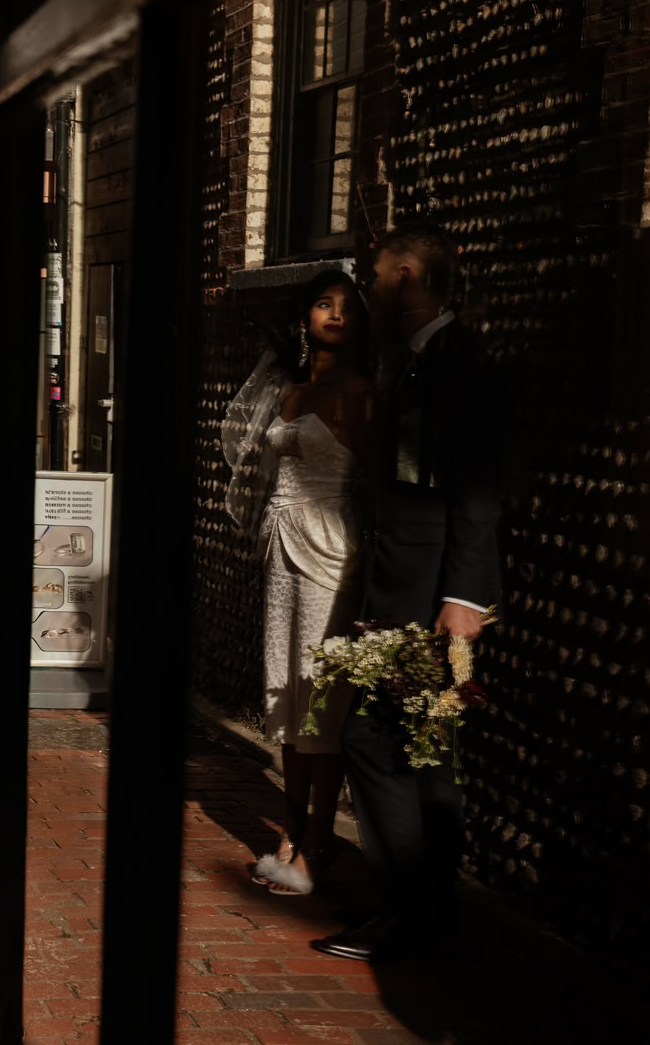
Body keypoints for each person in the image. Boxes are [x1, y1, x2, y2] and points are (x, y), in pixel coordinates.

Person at [313, 224, 504, 962]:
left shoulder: (466, 364)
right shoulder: (415, 362)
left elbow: (478, 490)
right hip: (399, 583)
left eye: (380, 273)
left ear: (411, 277)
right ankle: (426, 909)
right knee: (425, 746)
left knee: (375, 737)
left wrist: (465, 596)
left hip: (433, 592)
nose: (371, 287)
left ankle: (408, 908)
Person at [223, 271, 376, 896]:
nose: (335, 314)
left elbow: (370, 480)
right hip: (281, 548)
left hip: (330, 548)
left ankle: (317, 842)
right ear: (304, 316)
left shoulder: (361, 391)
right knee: (285, 692)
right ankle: (289, 828)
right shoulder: (288, 391)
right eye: (323, 303)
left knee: (321, 698)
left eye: (346, 306)